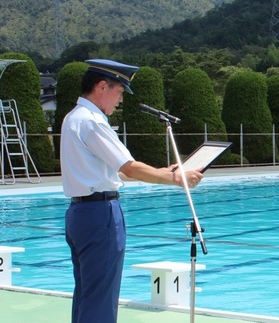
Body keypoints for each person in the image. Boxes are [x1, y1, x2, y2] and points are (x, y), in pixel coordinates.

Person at [60, 58, 204, 323]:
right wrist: (174, 179)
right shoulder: (93, 121)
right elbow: (130, 167)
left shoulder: (73, 118)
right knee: (101, 299)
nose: (121, 99)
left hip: (80, 213)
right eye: (120, 91)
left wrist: (165, 172)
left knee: (87, 295)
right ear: (102, 86)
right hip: (99, 213)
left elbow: (119, 171)